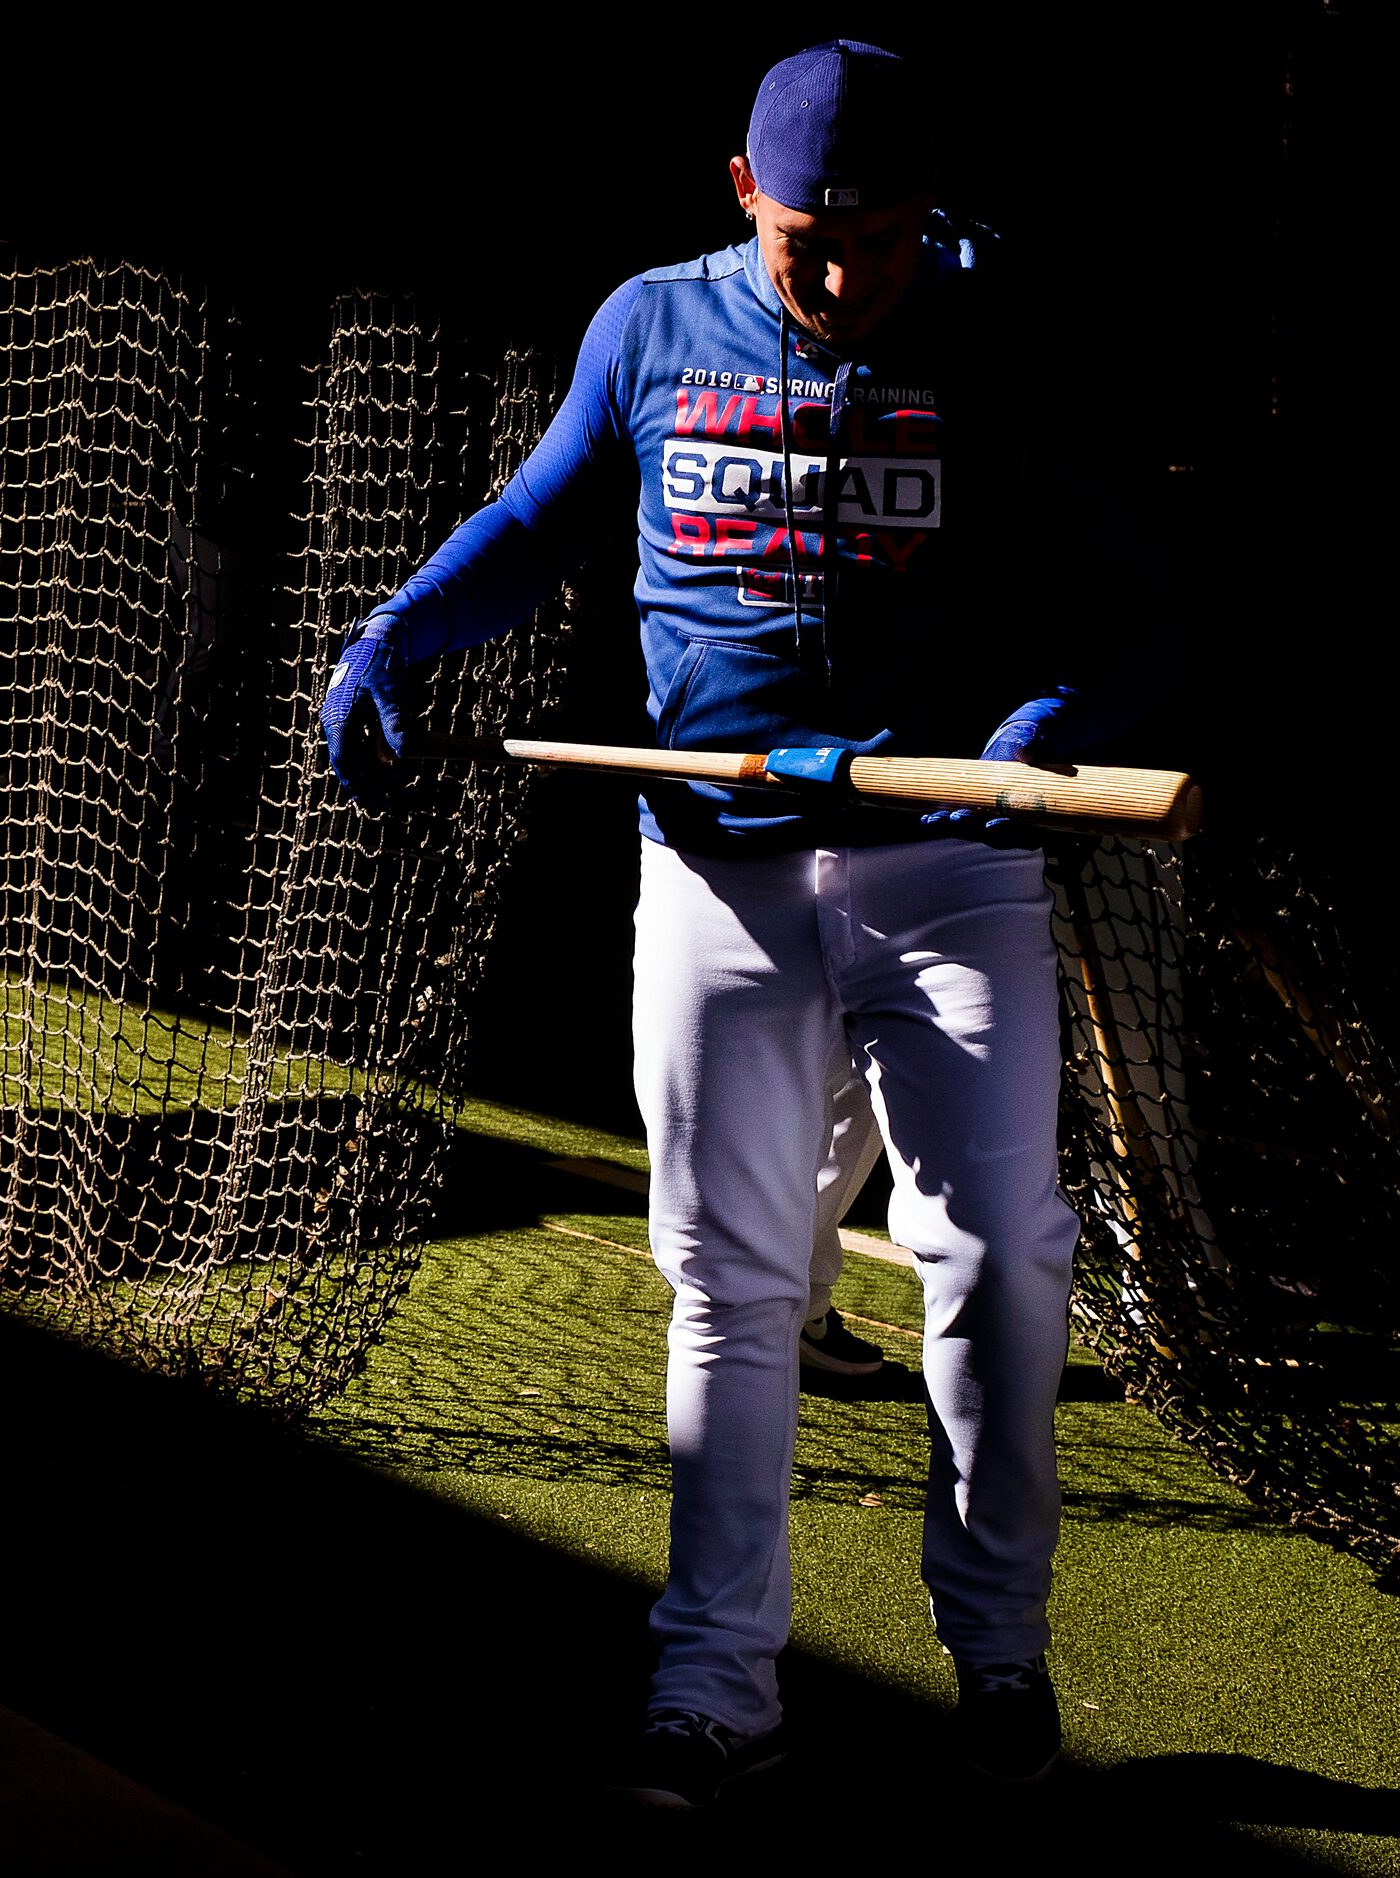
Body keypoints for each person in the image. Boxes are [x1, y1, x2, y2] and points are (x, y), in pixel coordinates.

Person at [321, 41, 1120, 1806]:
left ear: (934, 216)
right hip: (713, 863)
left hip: (947, 860)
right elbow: (541, 525)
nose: (847, 278)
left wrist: (1044, 716)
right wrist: (398, 631)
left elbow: (1097, 580)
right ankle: (715, 1682)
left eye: (887, 242)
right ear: (742, 192)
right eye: (811, 242)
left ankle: (998, 1656)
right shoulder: (651, 327)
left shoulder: (996, 338)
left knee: (999, 1252)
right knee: (731, 1278)